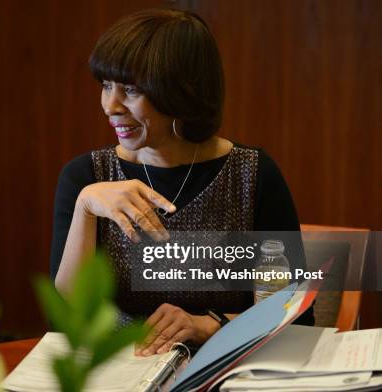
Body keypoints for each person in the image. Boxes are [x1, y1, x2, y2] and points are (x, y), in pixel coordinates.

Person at [50, 9, 313, 356]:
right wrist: (86, 206)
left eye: (130, 89)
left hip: (224, 367)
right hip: (120, 372)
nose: (110, 105)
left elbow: (294, 313)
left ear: (180, 94)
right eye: (106, 85)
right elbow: (68, 315)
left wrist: (206, 325)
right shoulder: (87, 178)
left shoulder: (253, 175)